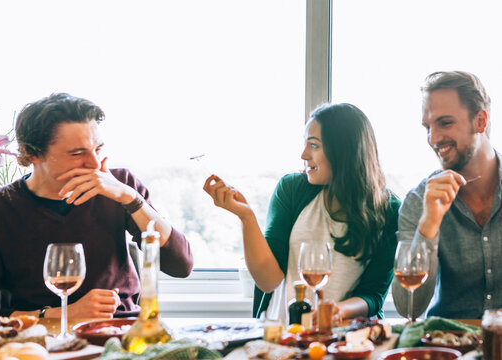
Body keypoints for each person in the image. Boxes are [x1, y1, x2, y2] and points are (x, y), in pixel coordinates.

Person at [0, 93, 193, 318]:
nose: (94, 163)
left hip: (122, 331)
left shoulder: (121, 185)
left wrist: (131, 199)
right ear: (31, 153)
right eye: (77, 153)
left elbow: (181, 266)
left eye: (98, 149)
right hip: (37, 339)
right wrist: (62, 314)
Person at [204, 103, 400, 324]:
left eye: (314, 145)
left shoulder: (389, 209)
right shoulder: (292, 189)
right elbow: (268, 281)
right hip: (283, 331)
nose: (304, 154)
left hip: (344, 337)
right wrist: (246, 218)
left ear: (344, 151)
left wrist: (336, 310)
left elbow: (374, 295)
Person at [392, 71, 502, 319]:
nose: (433, 138)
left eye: (445, 123)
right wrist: (428, 225)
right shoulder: (418, 201)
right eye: (427, 127)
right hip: (446, 347)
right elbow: (407, 307)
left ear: (480, 122)